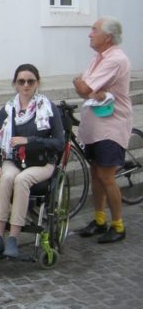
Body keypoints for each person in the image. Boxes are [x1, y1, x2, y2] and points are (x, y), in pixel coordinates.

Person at [0, 64, 64, 258]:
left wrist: (29, 141)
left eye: (30, 81)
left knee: (21, 180)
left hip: (42, 163)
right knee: (6, 178)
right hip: (14, 160)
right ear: (15, 84)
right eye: (21, 81)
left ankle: (13, 237)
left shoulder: (48, 108)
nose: (26, 85)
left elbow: (59, 143)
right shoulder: (8, 110)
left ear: (37, 83)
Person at [74, 17, 132, 243]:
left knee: (107, 177)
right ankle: (99, 220)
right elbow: (84, 87)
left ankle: (118, 225)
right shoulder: (98, 57)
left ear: (108, 37)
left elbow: (84, 86)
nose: (90, 34)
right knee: (96, 174)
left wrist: (85, 87)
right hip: (96, 125)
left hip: (111, 125)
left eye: (94, 30)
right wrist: (85, 87)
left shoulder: (115, 59)